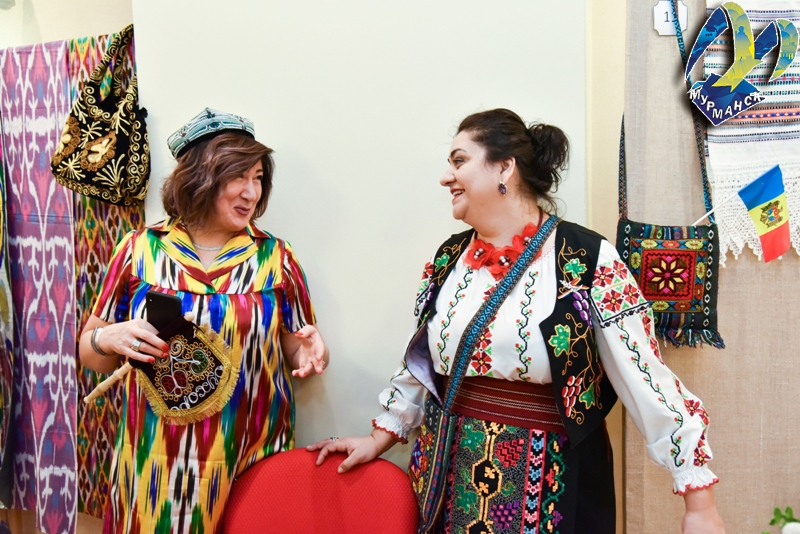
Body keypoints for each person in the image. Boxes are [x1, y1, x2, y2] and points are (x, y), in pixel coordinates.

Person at [310, 109, 725, 533]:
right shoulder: (448, 258)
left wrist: (699, 503)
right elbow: (424, 363)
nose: (446, 177)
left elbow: (644, 375)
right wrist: (379, 437)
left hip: (551, 485)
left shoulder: (586, 259)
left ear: (504, 167)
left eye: (459, 161)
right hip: (446, 480)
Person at [79, 108, 328, 533]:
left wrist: (310, 351)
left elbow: (296, 349)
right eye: (238, 176)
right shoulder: (139, 250)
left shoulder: (276, 259)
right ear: (199, 177)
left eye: (258, 178)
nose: (251, 192)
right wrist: (108, 338)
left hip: (250, 452)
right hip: (156, 463)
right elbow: (91, 355)